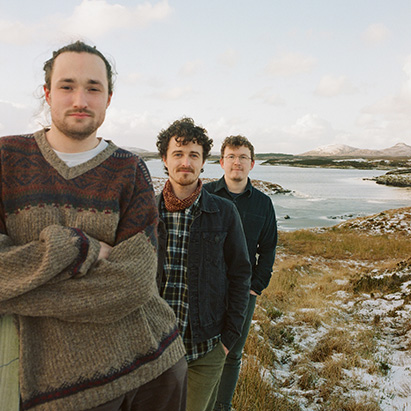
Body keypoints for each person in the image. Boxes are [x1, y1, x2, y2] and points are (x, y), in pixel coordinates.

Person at [0, 41, 187, 411]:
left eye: (93, 88)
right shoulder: (7, 159)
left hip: (155, 365)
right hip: (62, 388)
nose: (80, 100)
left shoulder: (129, 168)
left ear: (108, 98)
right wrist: (78, 248)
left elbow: (134, 282)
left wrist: (16, 290)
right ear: (47, 93)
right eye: (67, 86)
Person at [155, 118, 251, 411]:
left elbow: (240, 274)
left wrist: (228, 340)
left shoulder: (224, 212)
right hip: (154, 348)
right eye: (178, 154)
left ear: (203, 161)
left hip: (206, 349)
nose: (186, 162)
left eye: (194, 155)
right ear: (165, 159)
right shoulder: (146, 212)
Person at [204, 135, 278, 411]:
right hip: (205, 287)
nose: (237, 162)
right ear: (222, 162)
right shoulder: (205, 194)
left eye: (243, 157)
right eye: (232, 157)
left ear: (252, 164)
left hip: (243, 291)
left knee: (232, 353)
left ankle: (221, 406)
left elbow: (268, 248)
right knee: (202, 352)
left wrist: (256, 286)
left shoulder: (263, 203)